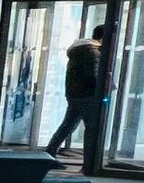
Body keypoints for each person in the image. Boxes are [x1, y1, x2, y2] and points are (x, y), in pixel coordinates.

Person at [45, 24, 106, 167]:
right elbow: (93, 76)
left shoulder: (80, 50)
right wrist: (104, 88)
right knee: (91, 129)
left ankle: (48, 156)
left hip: (75, 94)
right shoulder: (92, 52)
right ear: (104, 37)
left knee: (67, 126)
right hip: (88, 96)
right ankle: (90, 164)